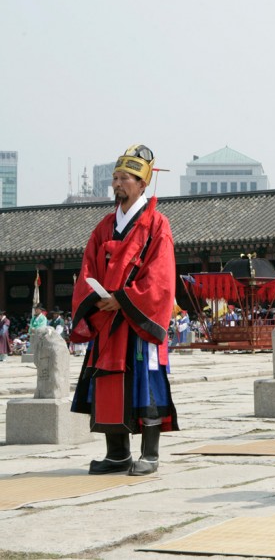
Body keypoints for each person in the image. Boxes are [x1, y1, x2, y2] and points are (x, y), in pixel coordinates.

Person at [69, 144, 178, 476]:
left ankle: (150, 453)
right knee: (107, 383)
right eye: (115, 178)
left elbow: (160, 277)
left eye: (125, 178)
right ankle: (117, 453)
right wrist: (97, 297)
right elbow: (88, 269)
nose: (117, 184)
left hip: (138, 320)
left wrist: (125, 298)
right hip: (108, 320)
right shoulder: (103, 227)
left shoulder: (158, 224)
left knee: (148, 383)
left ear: (142, 184)